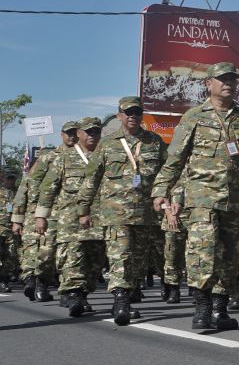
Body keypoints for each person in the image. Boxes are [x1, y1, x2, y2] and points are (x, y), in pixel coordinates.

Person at [152, 63, 239, 332]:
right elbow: (175, 157)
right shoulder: (194, 117)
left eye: (232, 79)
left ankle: (221, 310)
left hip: (235, 201)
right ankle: (202, 309)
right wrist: (161, 190)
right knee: (202, 253)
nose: (228, 84)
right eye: (222, 79)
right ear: (209, 83)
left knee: (232, 256)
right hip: (202, 200)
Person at [78, 98, 168, 325]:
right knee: (120, 256)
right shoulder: (107, 144)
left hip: (145, 214)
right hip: (115, 213)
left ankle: (126, 297)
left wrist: (169, 199)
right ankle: (120, 301)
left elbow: (168, 174)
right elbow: (92, 178)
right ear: (119, 115)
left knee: (138, 261)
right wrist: (83, 209)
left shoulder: (154, 142)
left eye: (137, 112)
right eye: (128, 112)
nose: (133, 116)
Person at [36, 117, 104, 316]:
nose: (92, 135)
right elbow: (48, 188)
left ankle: (83, 293)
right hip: (69, 218)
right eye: (88, 132)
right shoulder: (63, 158)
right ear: (79, 134)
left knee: (95, 260)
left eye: (96, 132)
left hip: (99, 218)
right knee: (73, 258)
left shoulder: (106, 155)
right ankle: (73, 294)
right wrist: (41, 216)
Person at [11, 122, 75, 302]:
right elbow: (27, 184)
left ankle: (66, 291)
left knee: (69, 252)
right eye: (69, 133)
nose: (72, 137)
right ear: (62, 135)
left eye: (75, 133)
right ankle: (38, 281)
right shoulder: (49, 157)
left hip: (74, 212)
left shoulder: (88, 156)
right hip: (49, 212)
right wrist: (20, 217)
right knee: (44, 251)